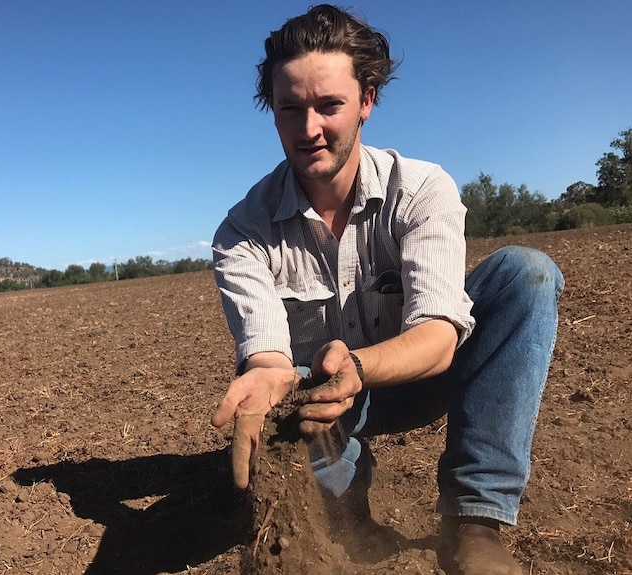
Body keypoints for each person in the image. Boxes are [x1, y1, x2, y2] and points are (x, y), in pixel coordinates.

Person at [209, 5, 563, 575]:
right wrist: (270, 375)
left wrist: (360, 364)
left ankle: (475, 525)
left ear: (366, 100)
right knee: (279, 397)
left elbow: (440, 335)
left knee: (526, 273)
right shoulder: (242, 233)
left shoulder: (420, 189)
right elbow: (270, 356)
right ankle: (349, 509)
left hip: (424, 374)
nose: (309, 130)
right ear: (272, 113)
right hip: (322, 408)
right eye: (290, 110)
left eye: (329, 106)